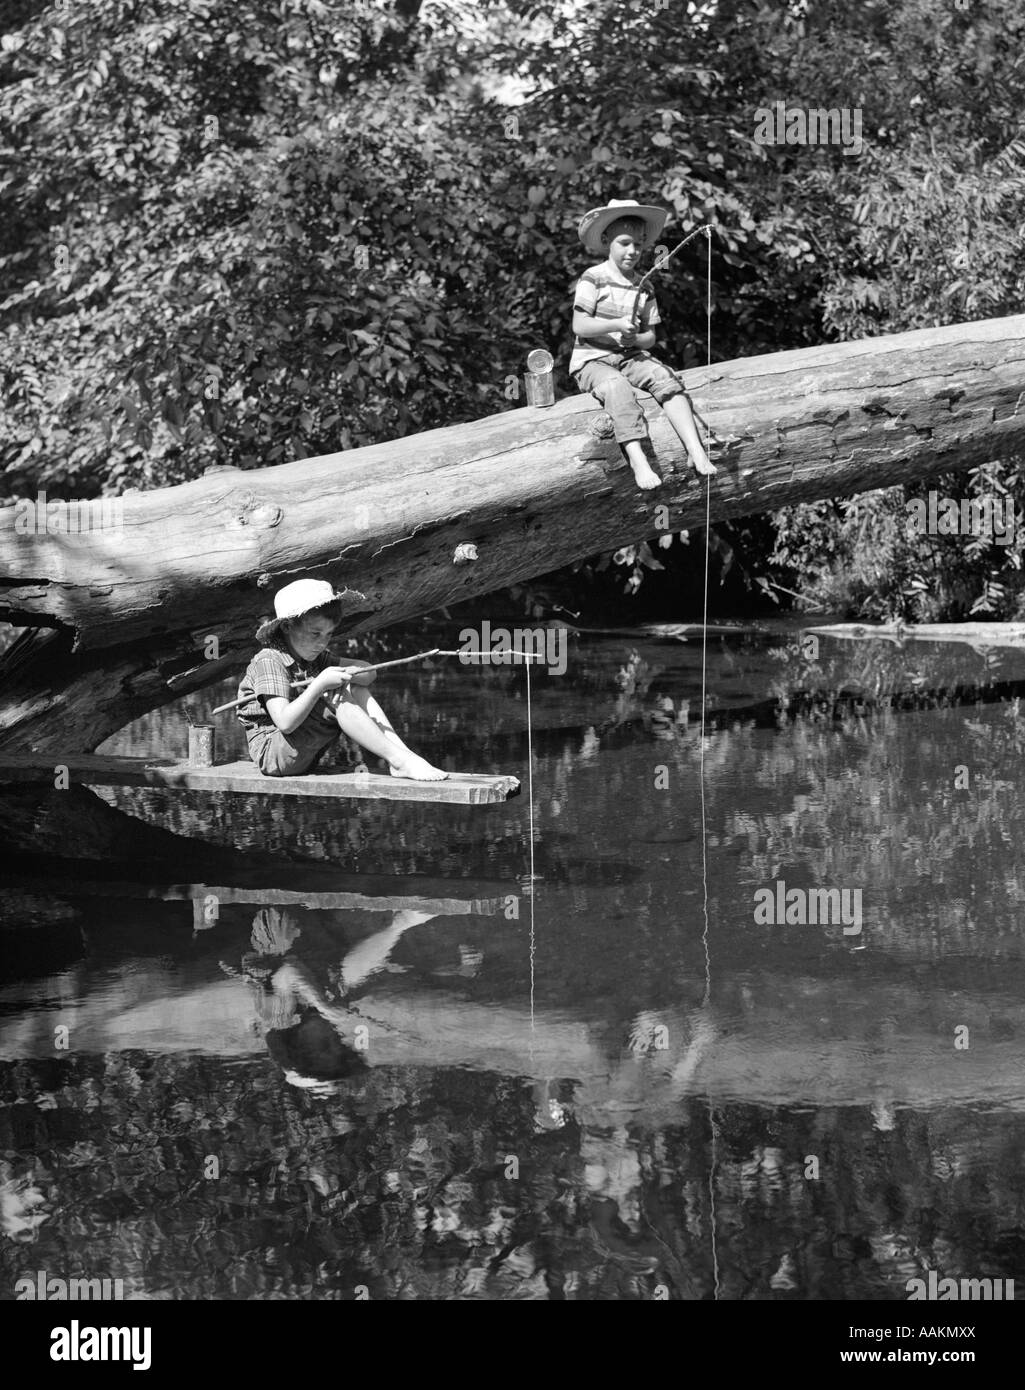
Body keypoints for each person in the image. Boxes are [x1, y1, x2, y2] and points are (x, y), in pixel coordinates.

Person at [570, 197, 717, 491]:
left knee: (666, 378)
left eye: (638, 244)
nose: (633, 250)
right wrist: (614, 325)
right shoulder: (593, 278)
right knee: (616, 387)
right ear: (606, 240)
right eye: (624, 242)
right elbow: (580, 325)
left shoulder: (644, 285)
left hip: (630, 356)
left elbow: (650, 338)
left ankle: (695, 449)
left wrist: (634, 338)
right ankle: (638, 459)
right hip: (592, 361)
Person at [236, 577, 447, 780]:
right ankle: (400, 760)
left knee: (354, 686)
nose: (322, 643)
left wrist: (352, 673)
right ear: (287, 627)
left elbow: (368, 674)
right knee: (334, 693)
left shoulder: (316, 658)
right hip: (274, 755)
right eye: (315, 634)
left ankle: (402, 755)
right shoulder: (269, 660)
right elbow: (285, 722)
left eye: (329, 635)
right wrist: (319, 685)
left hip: (302, 753)